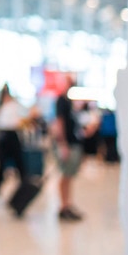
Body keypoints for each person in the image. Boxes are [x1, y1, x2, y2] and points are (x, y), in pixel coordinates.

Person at [52, 74, 84, 221]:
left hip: (73, 142)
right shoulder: (61, 101)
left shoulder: (70, 101)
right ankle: (64, 206)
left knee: (69, 175)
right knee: (65, 175)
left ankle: (67, 204)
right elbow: (59, 123)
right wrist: (62, 144)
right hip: (67, 144)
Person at [0, 84, 27, 199]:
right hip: (3, 136)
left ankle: (24, 189)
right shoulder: (0, 107)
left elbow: (21, 119)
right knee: (1, 165)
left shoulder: (14, 105)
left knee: (20, 165)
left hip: (12, 135)